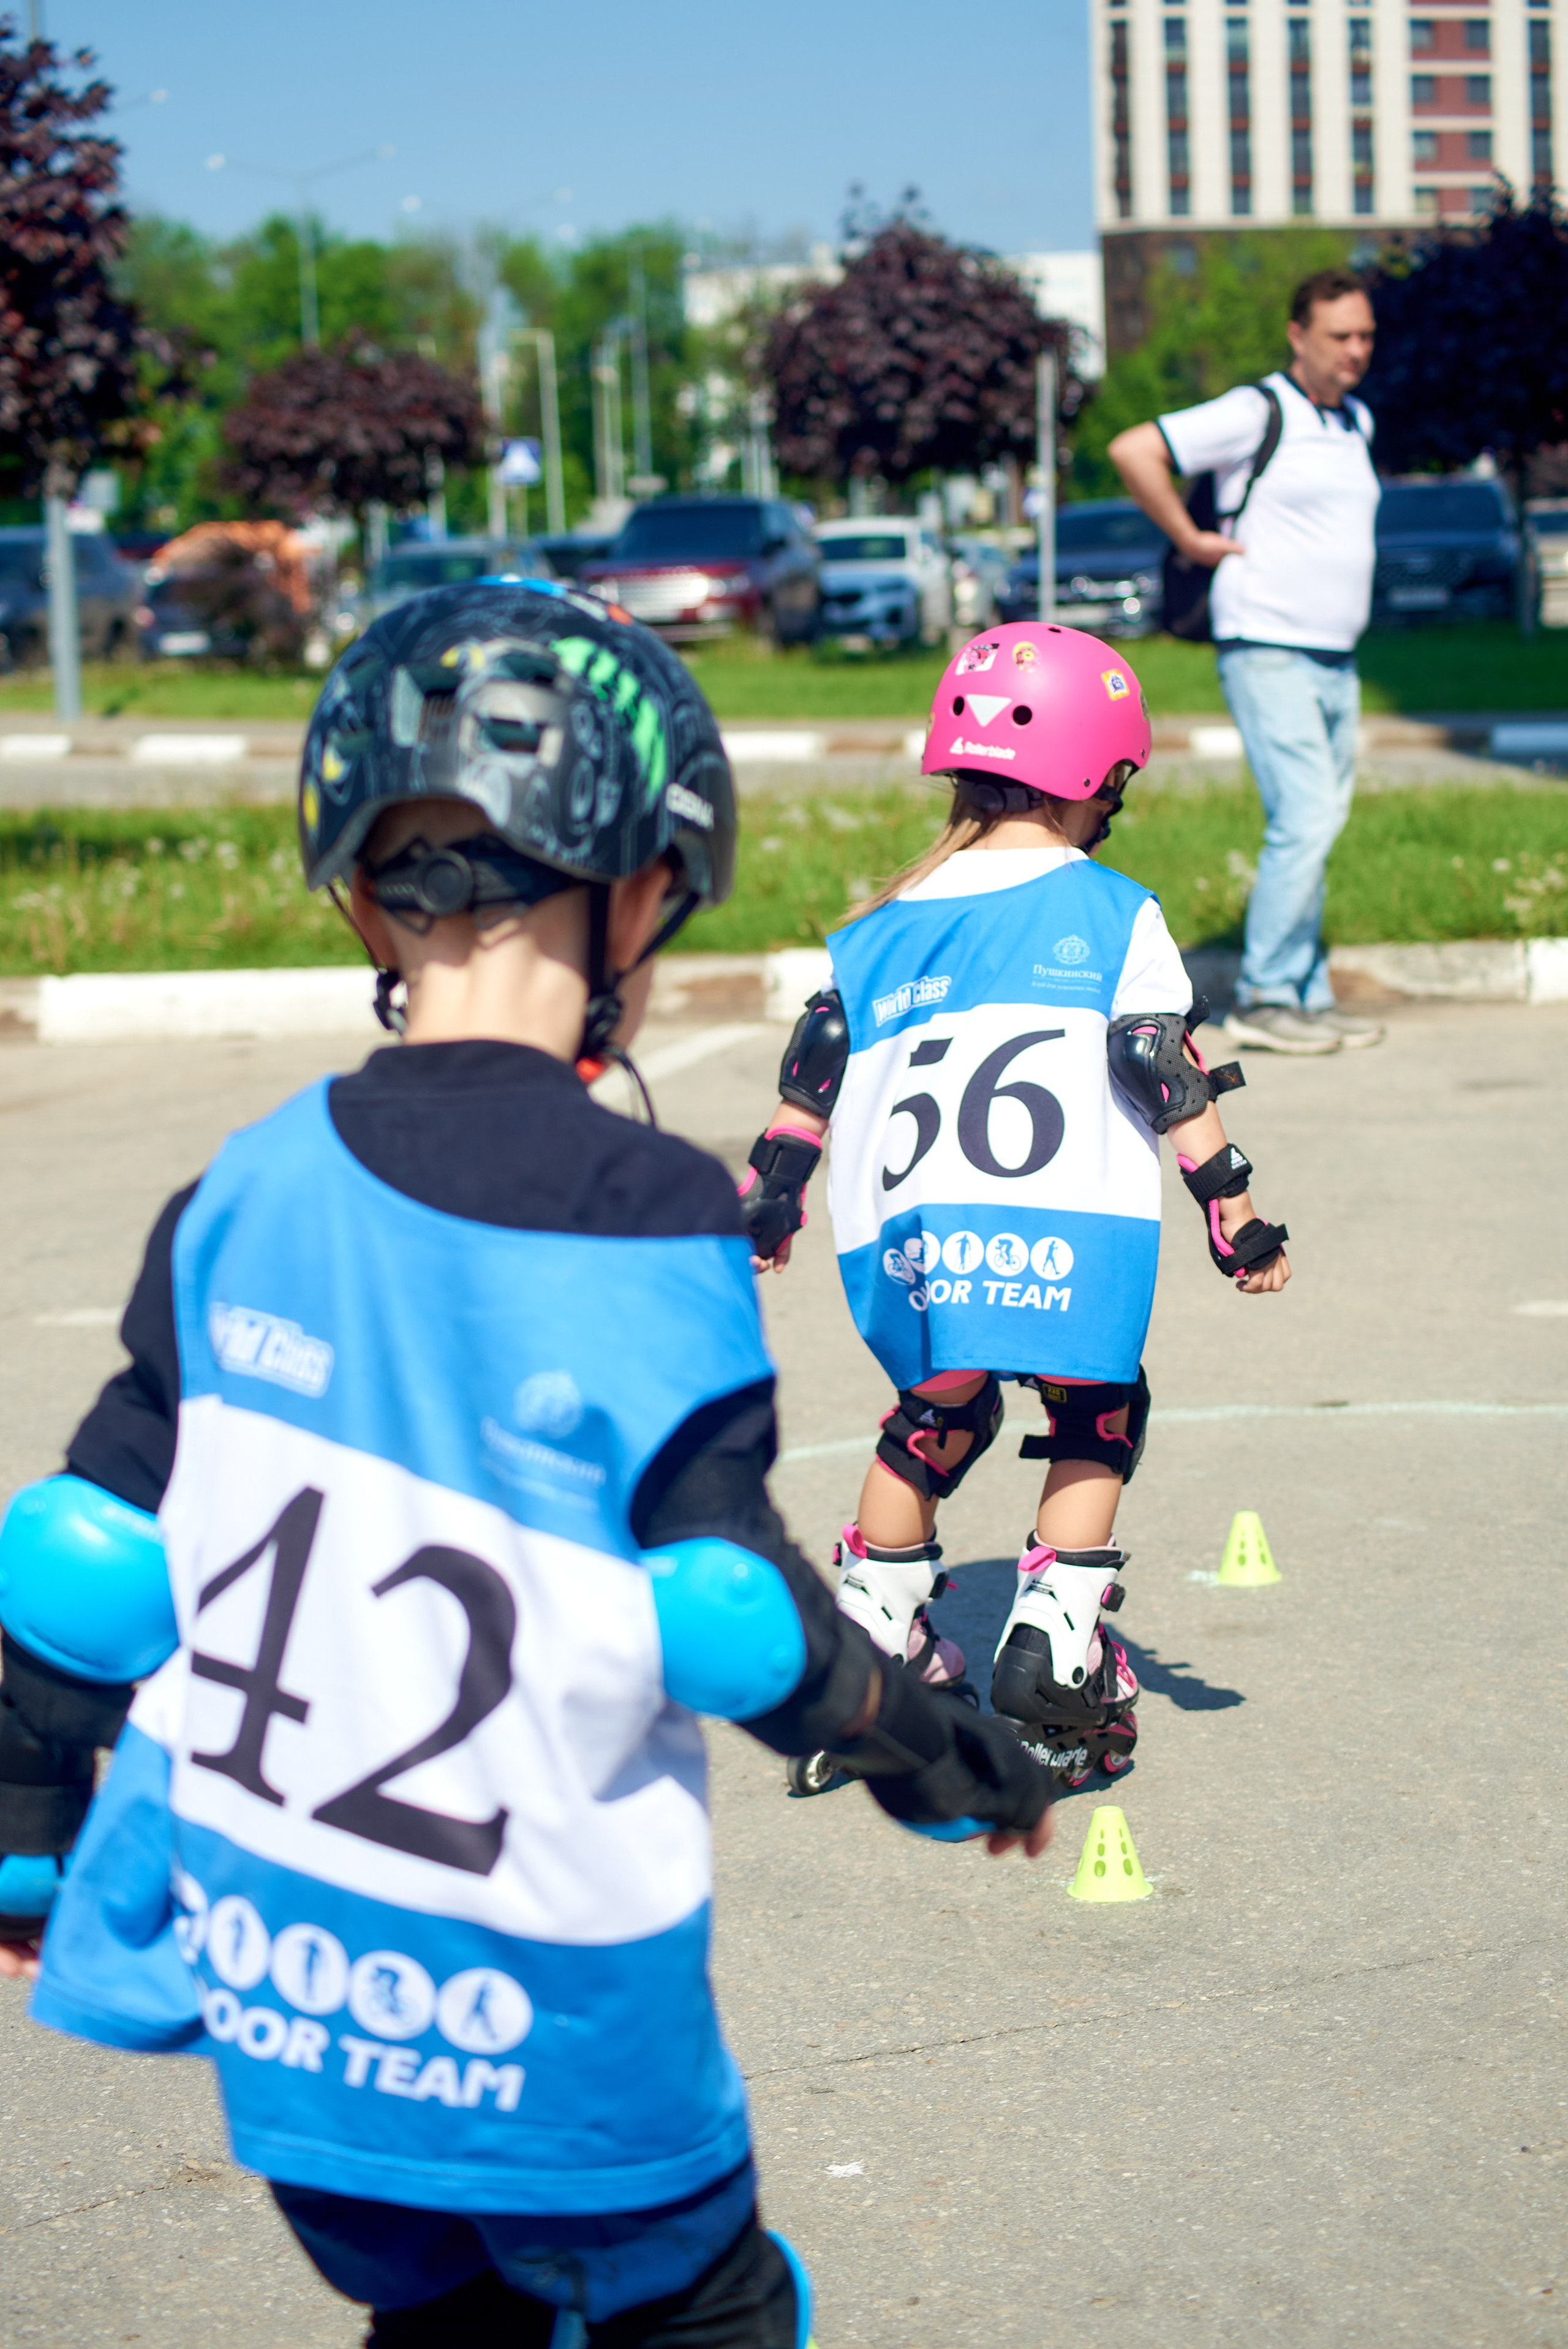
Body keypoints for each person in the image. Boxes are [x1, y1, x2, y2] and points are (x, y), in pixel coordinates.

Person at [0, 585, 1053, 2347]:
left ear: (360, 893)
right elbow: (727, 1612)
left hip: (292, 2010)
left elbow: (76, 1559)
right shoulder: (651, 1215)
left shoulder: (239, 1187)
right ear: (644, 894)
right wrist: (946, 1762)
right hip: (551, 2026)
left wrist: (25, 1844)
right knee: (702, 2306)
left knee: (440, 2311)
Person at [739, 622, 1290, 1791]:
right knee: (1099, 1409)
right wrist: (1234, 1213)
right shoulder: (1115, 911)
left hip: (911, 1236)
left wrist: (773, 1194)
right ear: (1096, 774)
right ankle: (1054, 1644)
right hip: (1068, 1227)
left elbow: (816, 1067)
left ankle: (874, 1640)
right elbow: (1159, 1063)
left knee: (935, 1412)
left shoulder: (877, 929)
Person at [1109, 266, 1384, 1056]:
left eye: (1366, 336)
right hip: (1267, 644)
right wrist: (1189, 538)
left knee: (1320, 821)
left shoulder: (1356, 421)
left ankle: (1305, 992)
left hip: (1337, 654)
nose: (1356, 350)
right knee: (1306, 815)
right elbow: (1135, 449)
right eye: (1339, 336)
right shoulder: (1258, 410)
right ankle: (1265, 997)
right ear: (1299, 336)